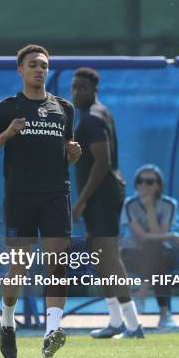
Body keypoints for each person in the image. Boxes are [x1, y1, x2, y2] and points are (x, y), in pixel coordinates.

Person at [0, 44, 81, 358]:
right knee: (18, 267)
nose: (39, 70)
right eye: (33, 65)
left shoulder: (64, 108)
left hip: (56, 195)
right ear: (20, 70)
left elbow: (66, 153)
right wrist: (6, 134)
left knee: (57, 264)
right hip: (20, 197)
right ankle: (7, 321)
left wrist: (73, 155)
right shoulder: (7, 108)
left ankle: (52, 331)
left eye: (44, 66)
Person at [70, 67, 144, 339]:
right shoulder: (97, 114)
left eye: (83, 88)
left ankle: (134, 326)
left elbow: (102, 161)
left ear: (94, 91)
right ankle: (115, 321)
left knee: (110, 258)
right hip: (102, 196)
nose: (77, 92)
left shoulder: (92, 118)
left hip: (102, 196)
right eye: (74, 88)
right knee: (100, 260)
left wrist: (81, 202)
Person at [121, 164, 179, 328]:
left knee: (156, 252)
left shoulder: (169, 204)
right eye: (140, 181)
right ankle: (165, 315)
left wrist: (150, 208)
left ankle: (141, 295)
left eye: (149, 182)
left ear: (158, 185)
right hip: (133, 254)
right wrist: (173, 236)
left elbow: (157, 237)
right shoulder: (129, 204)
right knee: (157, 260)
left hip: (160, 255)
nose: (143, 185)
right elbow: (142, 237)